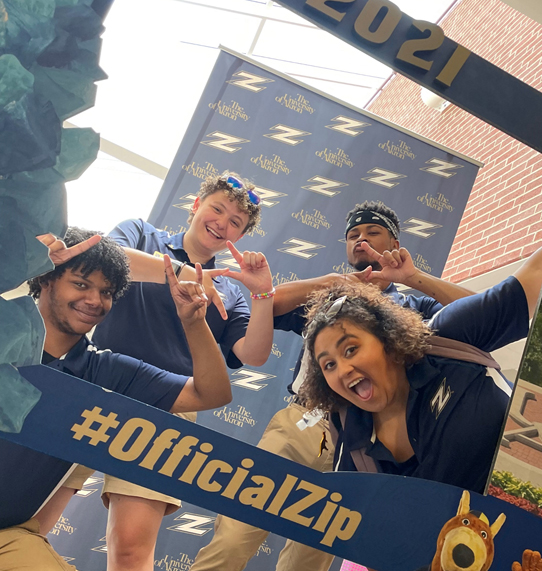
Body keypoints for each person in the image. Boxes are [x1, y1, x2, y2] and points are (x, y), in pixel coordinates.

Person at [190, 201, 476, 571]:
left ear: (393, 240)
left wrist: (413, 277)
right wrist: (330, 284)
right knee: (234, 535)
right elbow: (269, 303)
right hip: (300, 422)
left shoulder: (411, 303)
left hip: (362, 445)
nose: (361, 240)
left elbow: (480, 310)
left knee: (309, 561)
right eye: (353, 235)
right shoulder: (329, 293)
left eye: (372, 232)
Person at [0, 227, 233, 571]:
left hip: (9, 536)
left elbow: (210, 393)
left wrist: (194, 322)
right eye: (81, 284)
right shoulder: (6, 327)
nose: (95, 300)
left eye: (106, 291)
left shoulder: (104, 370)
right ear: (46, 279)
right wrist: (24, 262)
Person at [86, 172, 275, 571]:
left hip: (167, 406)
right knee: (32, 513)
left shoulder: (230, 290)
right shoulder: (140, 233)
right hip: (92, 383)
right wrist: (188, 275)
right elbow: (105, 258)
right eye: (217, 208)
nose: (223, 222)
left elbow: (252, 354)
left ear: (238, 237)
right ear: (196, 204)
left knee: (132, 550)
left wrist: (263, 295)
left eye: (236, 222)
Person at [299, 240, 542, 493]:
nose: (343, 369)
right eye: (328, 365)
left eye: (350, 349)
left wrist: (414, 277)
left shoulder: (447, 336)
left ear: (386, 338)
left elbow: (533, 275)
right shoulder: (349, 427)